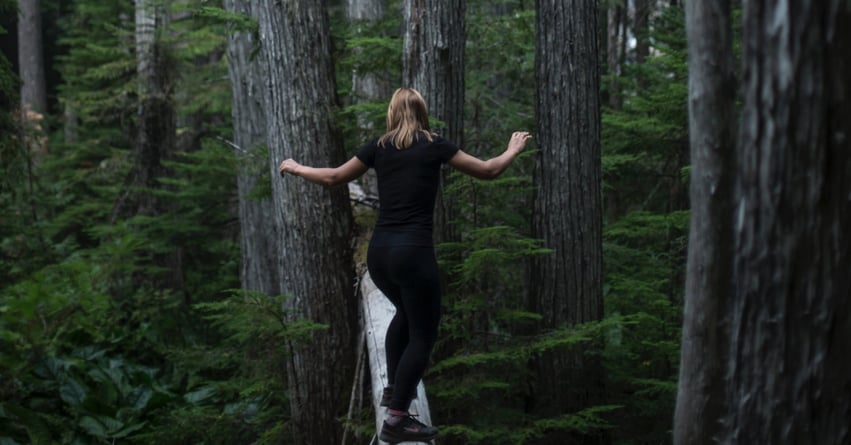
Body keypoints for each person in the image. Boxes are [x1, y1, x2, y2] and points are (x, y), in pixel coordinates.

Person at [278, 87, 530, 443]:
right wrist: (513, 149)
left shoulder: (378, 147)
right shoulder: (435, 145)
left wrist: (296, 166)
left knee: (404, 314)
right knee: (423, 334)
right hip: (413, 254)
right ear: (422, 111)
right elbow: (488, 171)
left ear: (392, 113)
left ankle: (393, 391)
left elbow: (334, 177)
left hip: (379, 255)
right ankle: (397, 419)